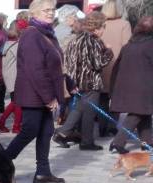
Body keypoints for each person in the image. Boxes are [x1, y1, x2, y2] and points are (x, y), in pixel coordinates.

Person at [4, 0, 66, 183]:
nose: (50, 13)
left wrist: (69, 83)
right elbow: (35, 70)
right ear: (34, 13)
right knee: (29, 130)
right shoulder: (32, 35)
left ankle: (43, 172)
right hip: (34, 94)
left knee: (46, 131)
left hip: (43, 93)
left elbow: (54, 65)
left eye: (52, 10)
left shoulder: (46, 33)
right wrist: (48, 98)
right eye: (46, 10)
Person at [53, 12, 113, 151]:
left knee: (81, 108)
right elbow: (98, 63)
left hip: (76, 81)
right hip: (91, 81)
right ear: (97, 28)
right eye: (103, 27)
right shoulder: (94, 41)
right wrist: (109, 51)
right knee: (89, 111)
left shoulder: (76, 39)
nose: (104, 30)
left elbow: (68, 60)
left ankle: (71, 135)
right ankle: (82, 139)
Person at [109, 16, 153, 154]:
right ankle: (118, 141)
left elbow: (117, 67)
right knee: (136, 114)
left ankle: (147, 142)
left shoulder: (128, 45)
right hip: (144, 86)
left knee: (144, 112)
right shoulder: (150, 45)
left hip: (127, 85)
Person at [99, 0, 132, 137]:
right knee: (116, 100)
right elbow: (127, 47)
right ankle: (112, 126)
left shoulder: (100, 24)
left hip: (101, 65)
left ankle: (102, 127)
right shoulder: (124, 24)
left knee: (102, 99)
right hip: (117, 66)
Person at [0, 19, 28, 134]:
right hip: (15, 77)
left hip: (9, 76)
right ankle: (15, 126)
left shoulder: (7, 43)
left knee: (16, 102)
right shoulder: (16, 45)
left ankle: (2, 122)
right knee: (18, 102)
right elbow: (24, 59)